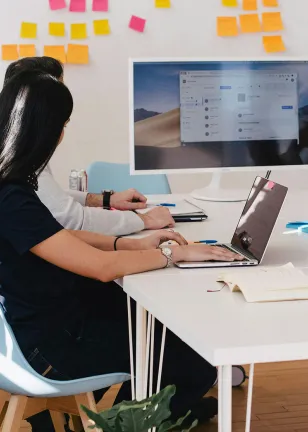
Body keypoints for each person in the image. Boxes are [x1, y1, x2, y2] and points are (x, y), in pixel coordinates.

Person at [0, 70, 245, 431]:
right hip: (49, 347)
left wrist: (130, 244)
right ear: (45, 130)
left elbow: (60, 236)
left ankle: (133, 415)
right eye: (62, 124)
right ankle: (122, 423)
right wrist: (172, 255)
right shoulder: (12, 197)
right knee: (192, 359)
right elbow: (100, 267)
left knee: (162, 330)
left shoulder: (12, 183)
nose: (63, 134)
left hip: (47, 324)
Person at [3, 57, 174, 236]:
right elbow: (73, 219)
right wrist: (145, 220)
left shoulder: (18, 147)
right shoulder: (16, 161)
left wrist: (105, 200)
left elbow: (49, 198)